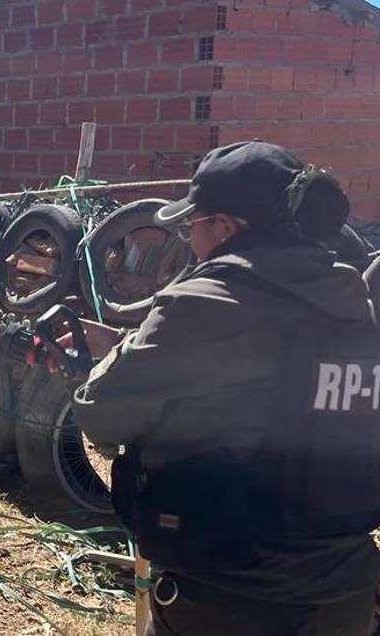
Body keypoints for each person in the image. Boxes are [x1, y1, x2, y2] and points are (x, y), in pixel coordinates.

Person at [70, 141, 380, 635]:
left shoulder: (203, 303)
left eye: (194, 222)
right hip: (343, 594)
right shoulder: (351, 301)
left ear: (227, 228)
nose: (189, 236)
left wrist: (112, 355)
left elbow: (102, 412)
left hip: (231, 596)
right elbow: (271, 378)